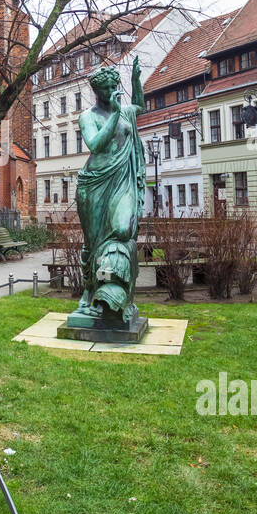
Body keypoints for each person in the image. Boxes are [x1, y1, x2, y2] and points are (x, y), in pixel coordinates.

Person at [69, 57, 145, 328]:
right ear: (96, 91)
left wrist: (136, 81)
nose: (111, 91)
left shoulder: (124, 112)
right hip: (94, 185)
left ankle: (120, 289)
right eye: (106, 88)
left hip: (122, 180)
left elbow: (141, 106)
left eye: (115, 85)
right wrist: (113, 114)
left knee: (123, 230)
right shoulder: (87, 116)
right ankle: (89, 292)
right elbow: (95, 145)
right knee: (92, 244)